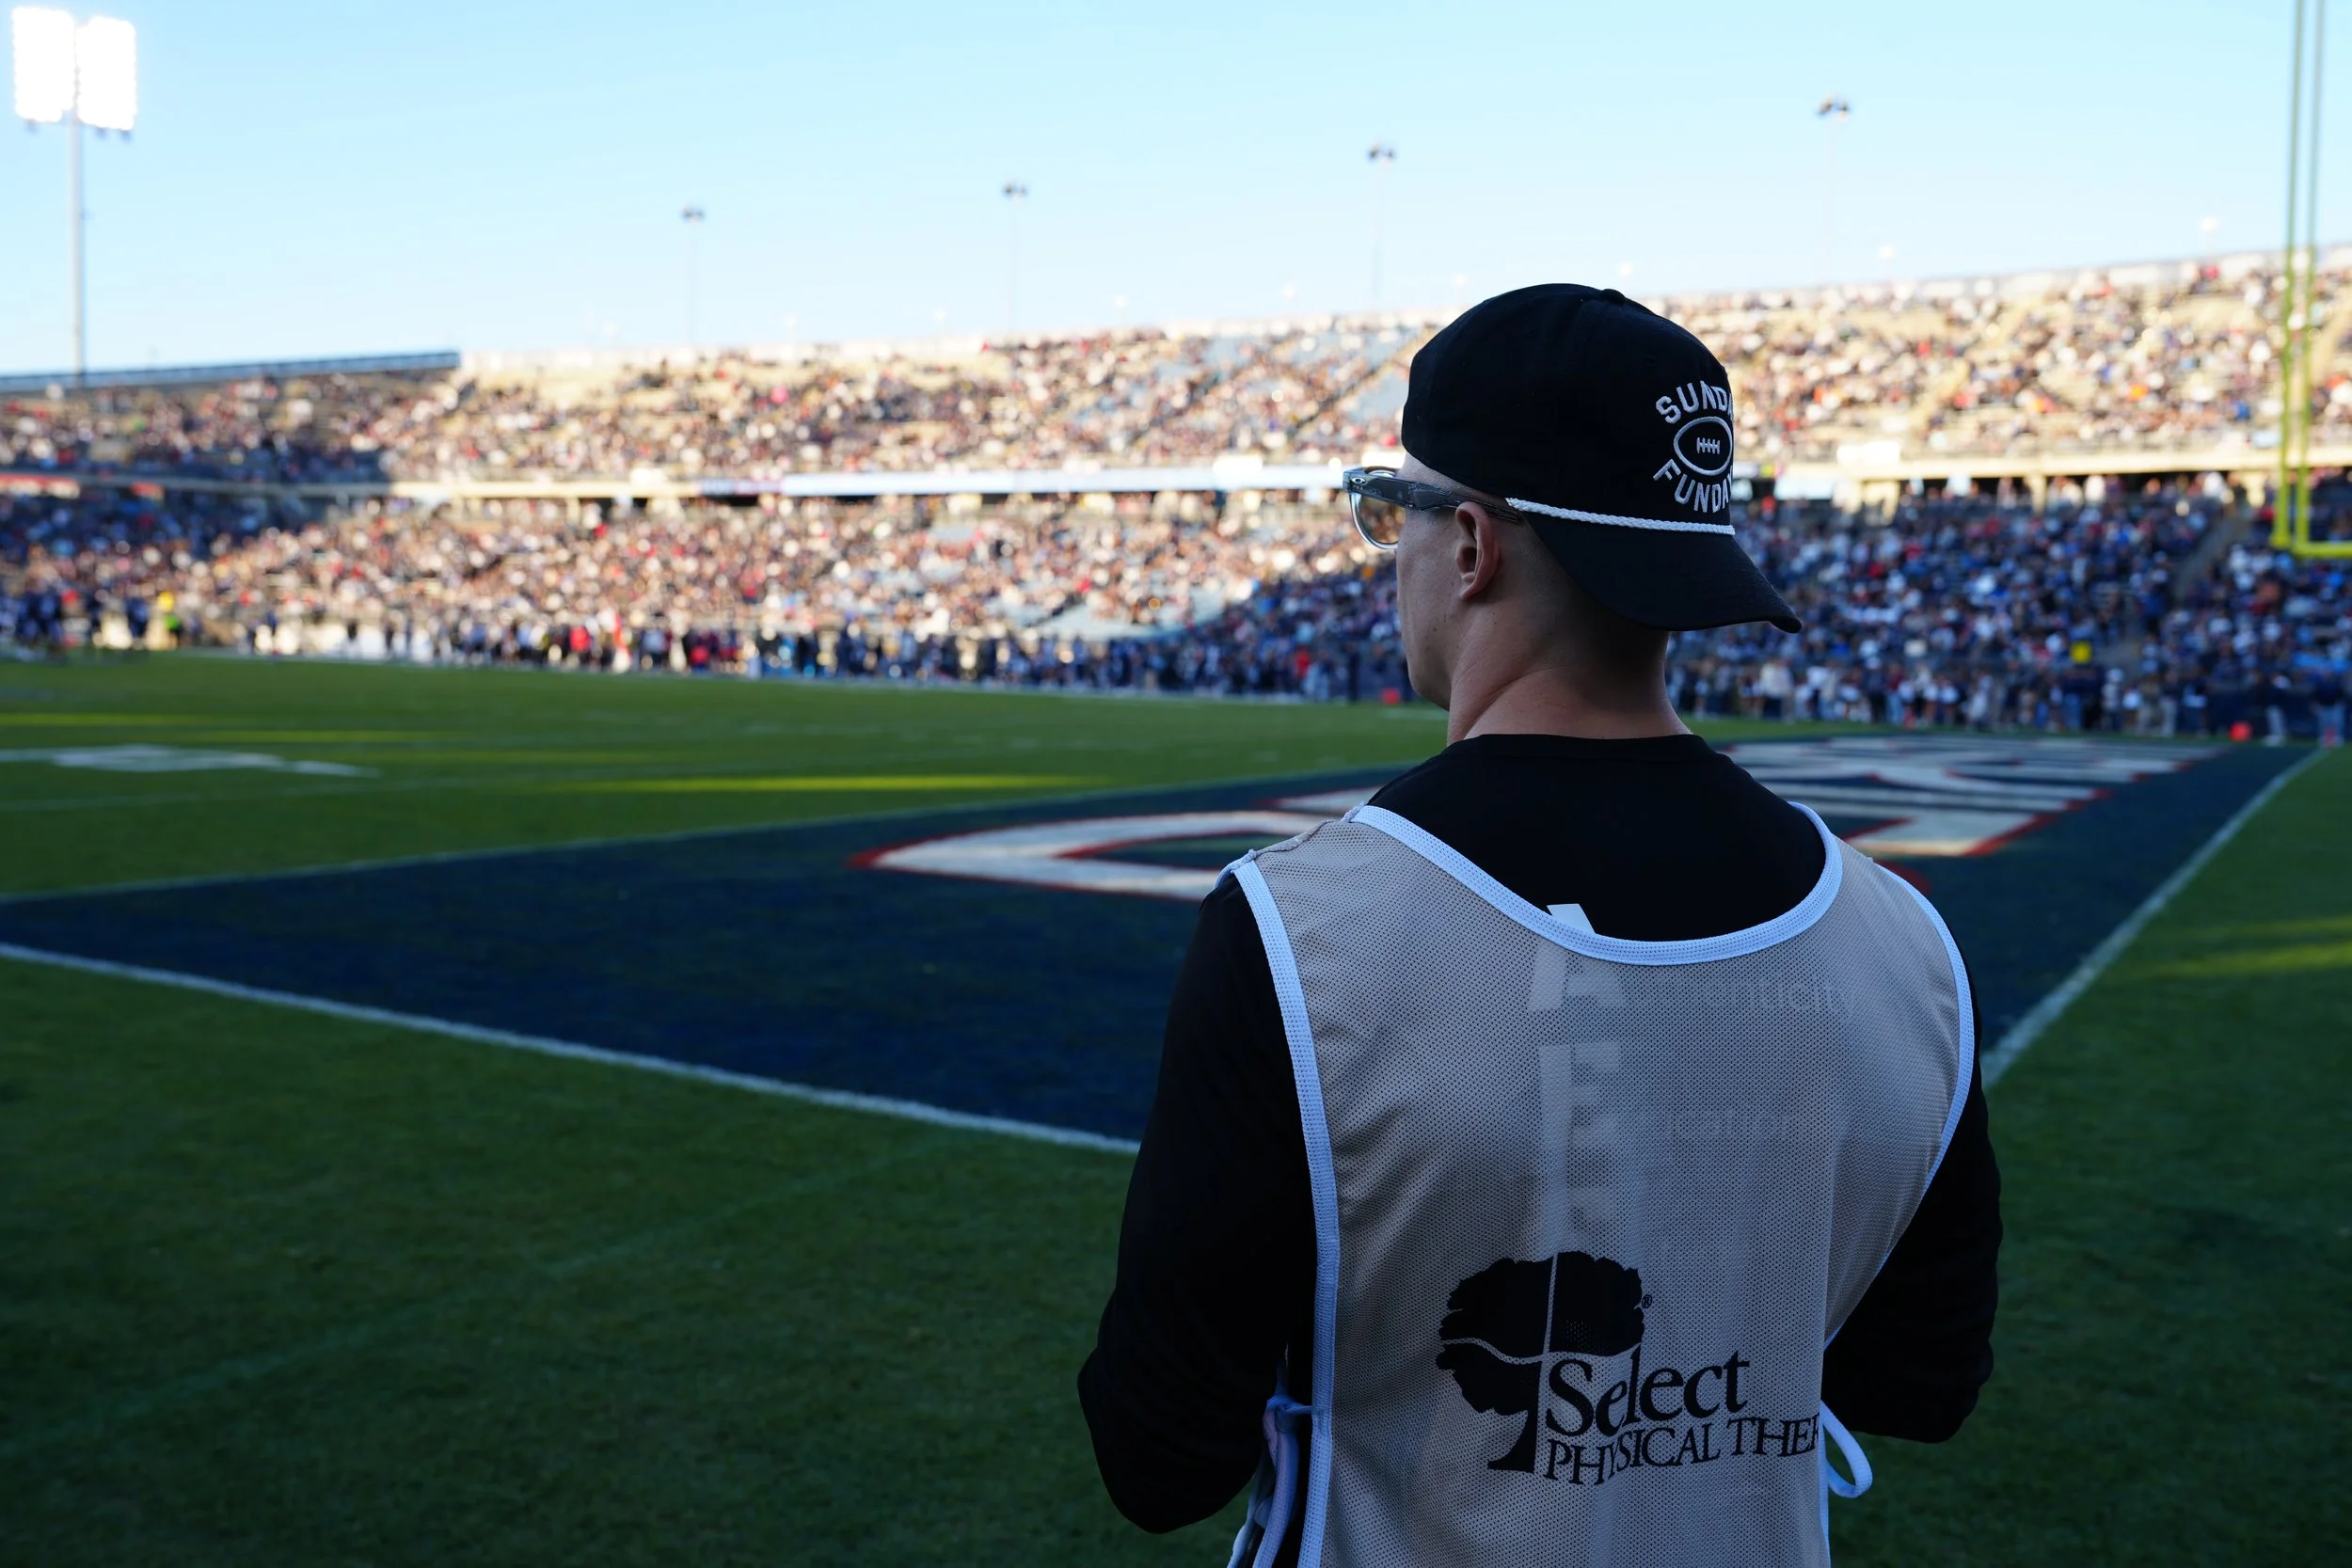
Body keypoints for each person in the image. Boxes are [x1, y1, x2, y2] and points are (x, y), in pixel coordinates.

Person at [1078, 285, 1998, 1568]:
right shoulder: (1906, 947)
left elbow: (1160, 1452)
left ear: (1470, 545)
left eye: (1388, 508)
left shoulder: (1303, 933)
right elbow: (1922, 1380)